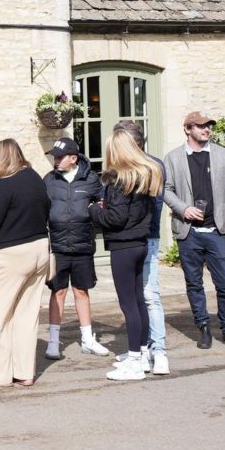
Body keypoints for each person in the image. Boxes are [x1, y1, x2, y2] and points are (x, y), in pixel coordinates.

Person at [162, 111, 225, 350]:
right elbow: (165, 190)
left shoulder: (222, 155)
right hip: (188, 232)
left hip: (216, 229)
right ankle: (204, 328)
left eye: (208, 126)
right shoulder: (173, 158)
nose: (206, 129)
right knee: (194, 283)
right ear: (188, 129)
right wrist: (183, 209)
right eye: (200, 126)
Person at [0, 140, 52, 387]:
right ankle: (24, 372)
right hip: (39, 250)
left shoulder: (5, 184)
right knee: (26, 315)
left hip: (9, 255)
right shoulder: (35, 178)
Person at [89, 130, 161, 381]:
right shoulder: (143, 176)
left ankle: (134, 361)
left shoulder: (120, 180)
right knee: (138, 301)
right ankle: (141, 353)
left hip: (124, 246)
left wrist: (94, 212)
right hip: (139, 243)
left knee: (129, 304)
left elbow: (116, 218)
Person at [112, 119, 170, 374]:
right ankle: (144, 350)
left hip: (141, 237)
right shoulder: (151, 166)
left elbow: (133, 212)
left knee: (146, 297)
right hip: (145, 236)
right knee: (143, 297)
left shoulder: (140, 169)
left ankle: (155, 352)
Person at [43, 136, 109, 359]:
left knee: (81, 291)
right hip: (58, 246)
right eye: (54, 157)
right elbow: (41, 209)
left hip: (82, 246)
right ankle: (53, 341)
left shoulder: (91, 179)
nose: (56, 161)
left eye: (60, 157)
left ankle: (88, 339)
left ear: (73, 158)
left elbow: (103, 205)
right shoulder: (49, 180)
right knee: (58, 291)